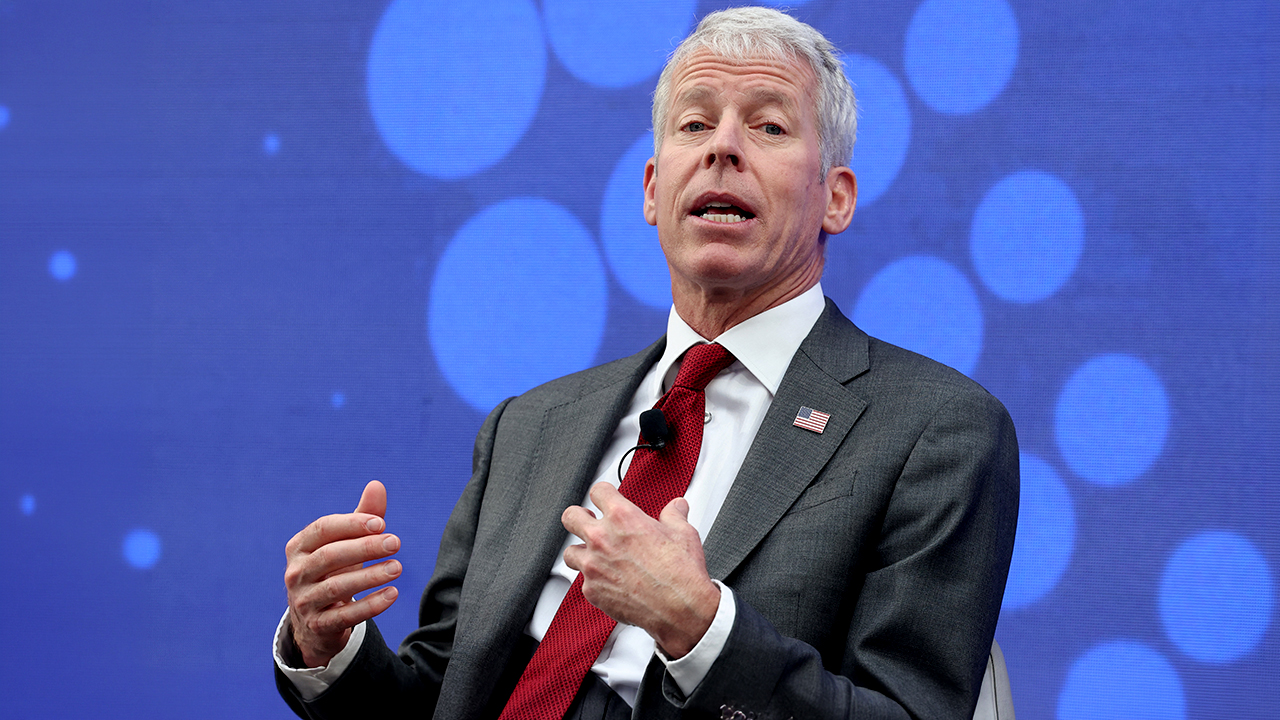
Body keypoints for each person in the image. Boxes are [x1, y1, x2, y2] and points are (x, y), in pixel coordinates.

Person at [274, 7, 1018, 719]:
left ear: (837, 199)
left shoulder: (934, 431)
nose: (723, 148)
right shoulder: (528, 427)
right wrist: (328, 647)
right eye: (695, 124)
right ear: (654, 191)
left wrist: (702, 630)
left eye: (769, 125)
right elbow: (442, 695)